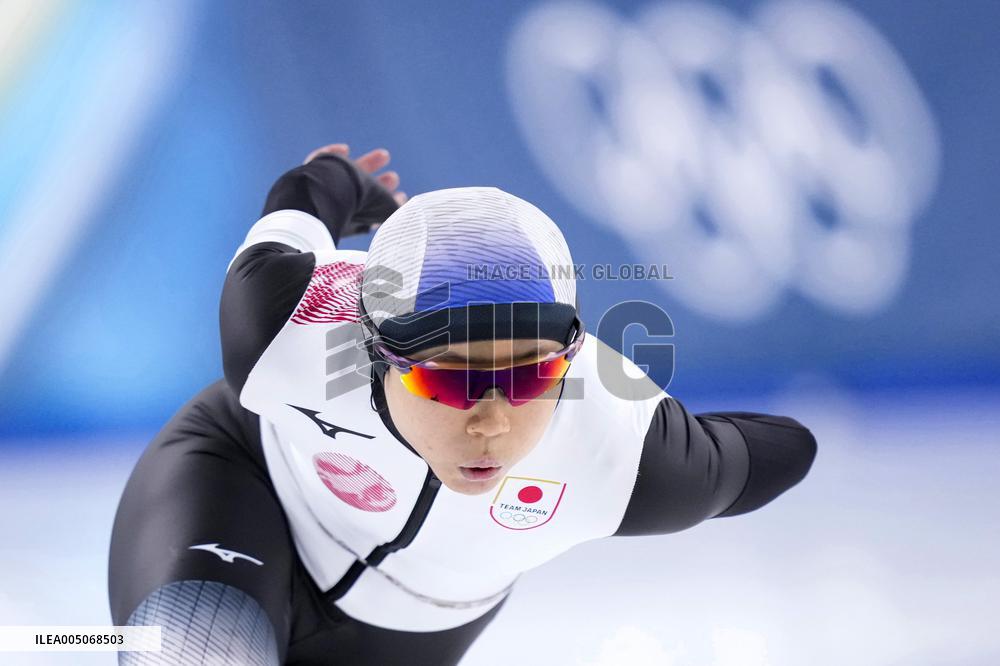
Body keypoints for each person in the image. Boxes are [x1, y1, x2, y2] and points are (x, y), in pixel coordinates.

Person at [107, 143, 818, 665]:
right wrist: (341, 180)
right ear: (375, 351)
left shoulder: (629, 449)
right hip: (242, 487)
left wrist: (731, 443)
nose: (490, 421)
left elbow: (774, 452)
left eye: (530, 377)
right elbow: (299, 200)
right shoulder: (288, 325)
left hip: (407, 627)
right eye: (448, 379)